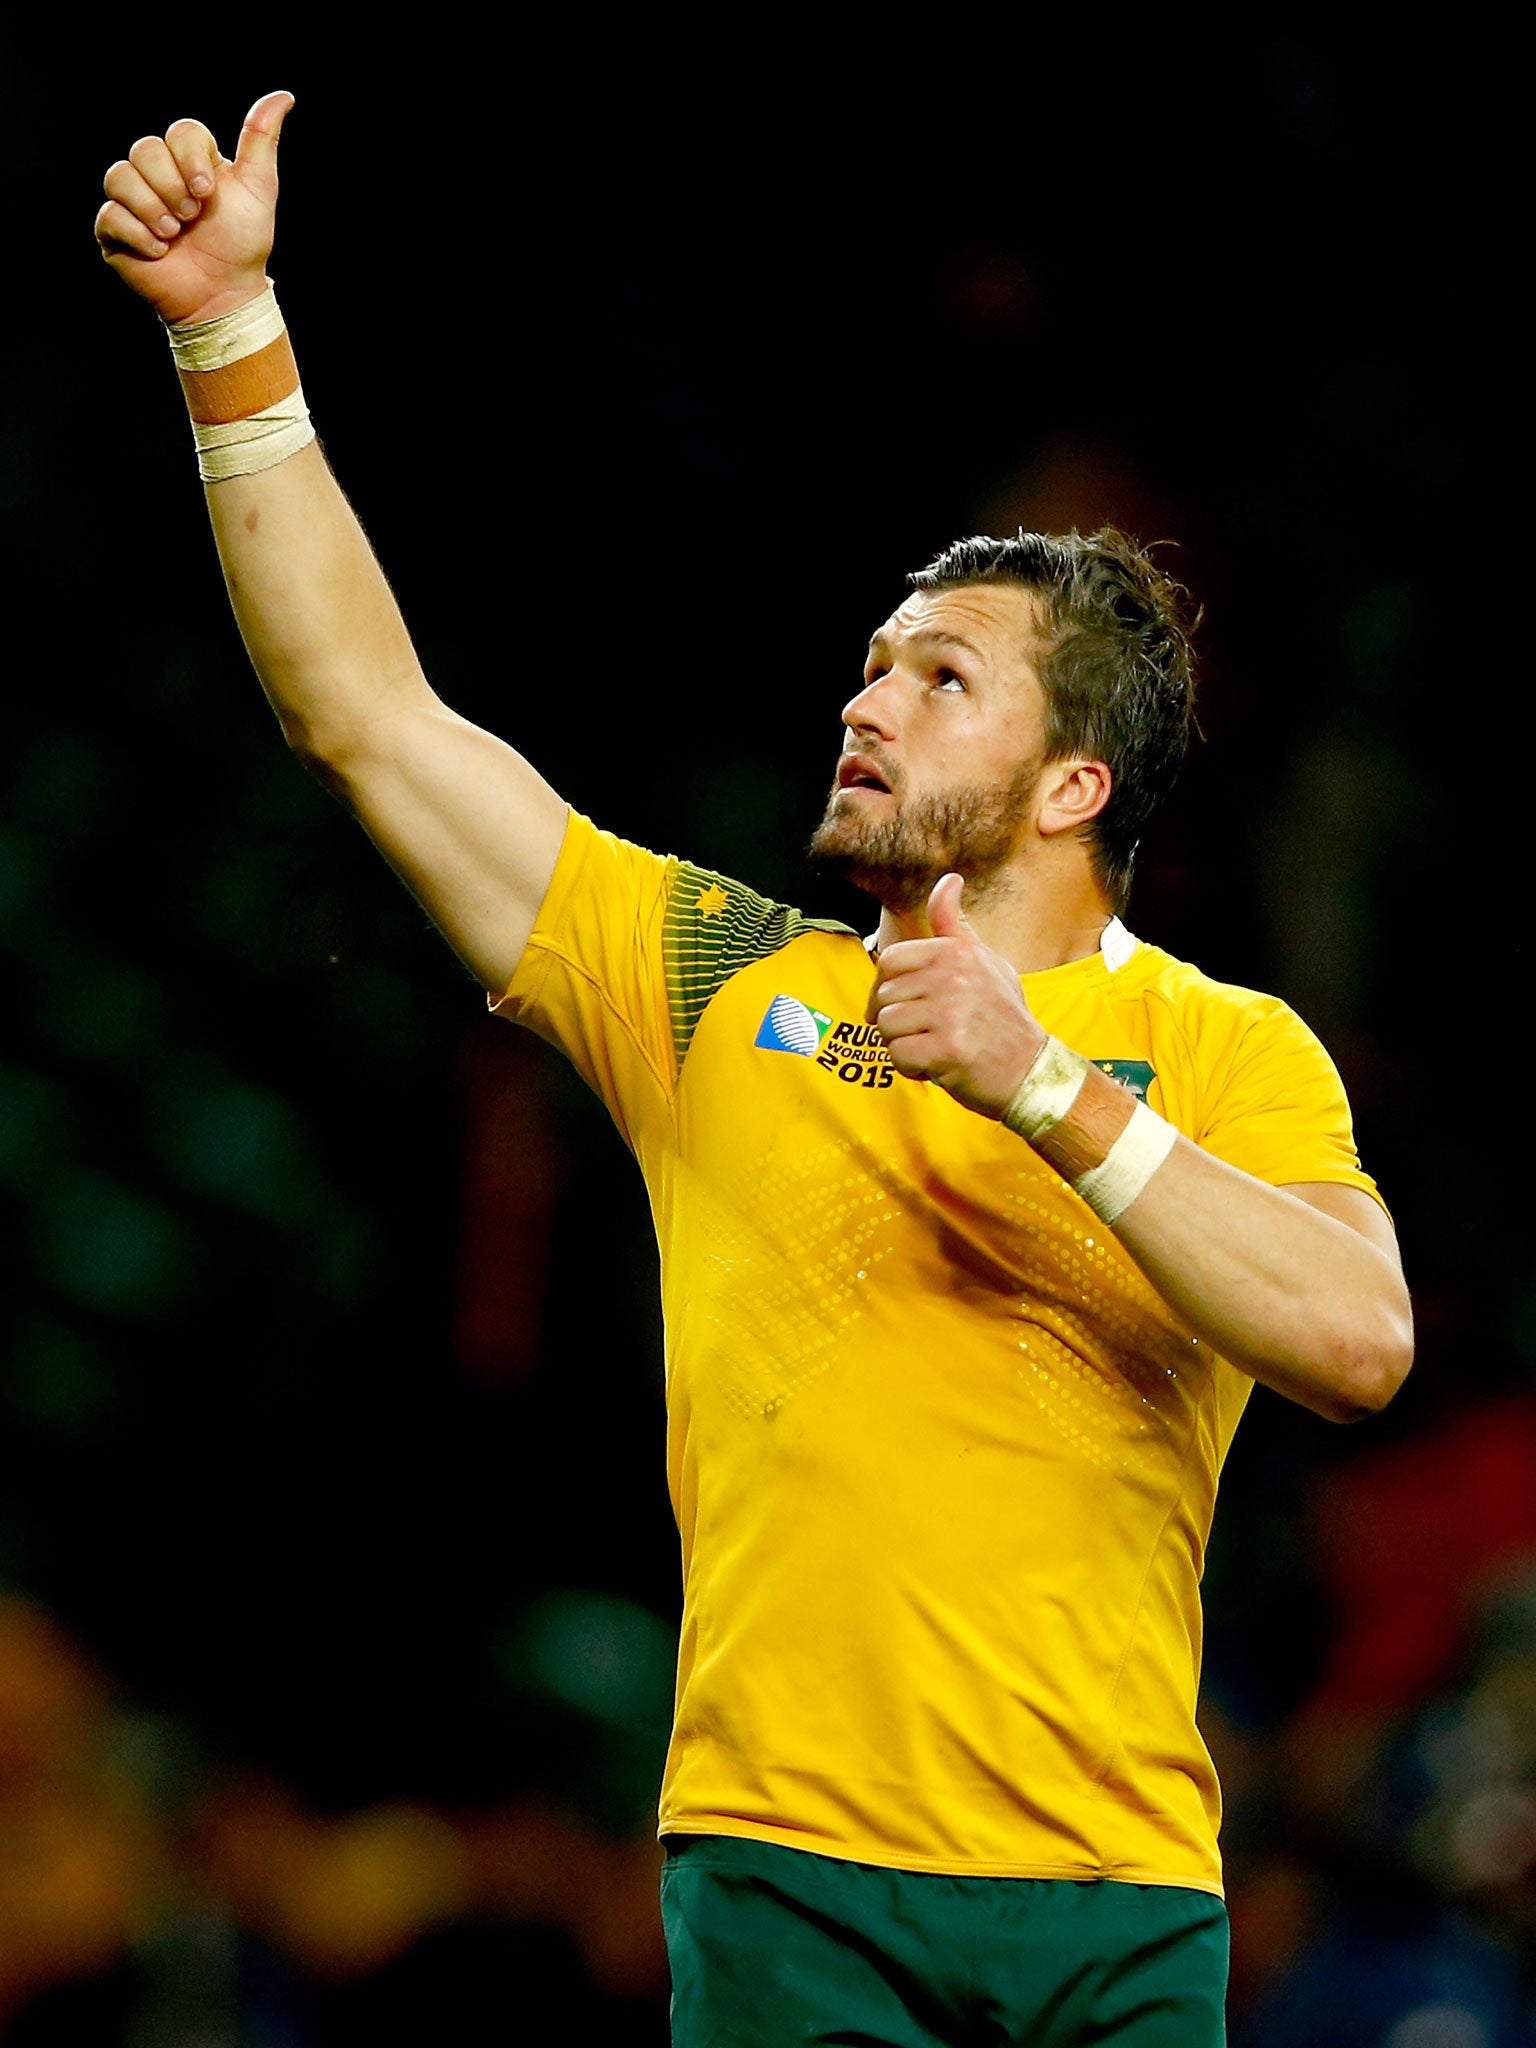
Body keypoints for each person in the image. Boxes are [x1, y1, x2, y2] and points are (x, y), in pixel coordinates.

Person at [96, 91, 1413, 2048]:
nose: (865, 697)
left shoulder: (1228, 1048)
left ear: (1075, 785)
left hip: (1125, 1908)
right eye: (872, 661)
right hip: (787, 1872)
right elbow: (366, 716)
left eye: (938, 675)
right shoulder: (720, 973)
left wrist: (1039, 1086)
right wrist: (229, 332)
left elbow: (1357, 1336)